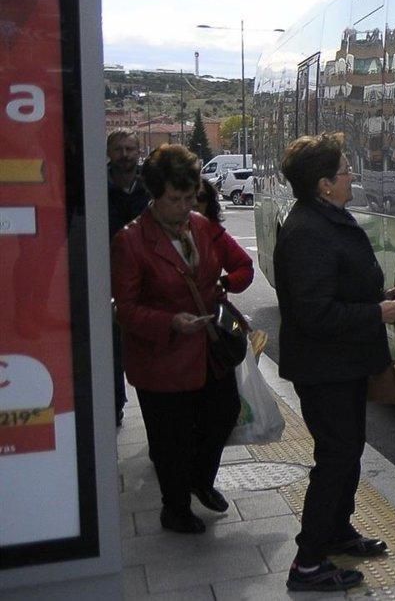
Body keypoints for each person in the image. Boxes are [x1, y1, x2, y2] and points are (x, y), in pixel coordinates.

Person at [275, 133, 395, 592]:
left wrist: (383, 298)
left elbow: (341, 288)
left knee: (347, 452)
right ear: (323, 185)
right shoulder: (307, 232)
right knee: (334, 459)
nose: (352, 175)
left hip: (344, 364)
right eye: (345, 170)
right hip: (324, 369)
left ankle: (337, 531)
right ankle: (308, 563)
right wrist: (377, 313)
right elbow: (315, 313)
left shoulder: (326, 218)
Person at [111, 144, 253, 534]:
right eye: (176, 199)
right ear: (155, 196)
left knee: (222, 413)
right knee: (170, 441)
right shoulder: (131, 241)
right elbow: (126, 309)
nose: (185, 207)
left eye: (190, 197)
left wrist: (222, 289)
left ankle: (200, 481)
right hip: (162, 360)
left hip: (207, 349)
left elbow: (238, 265)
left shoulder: (201, 226)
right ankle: (174, 509)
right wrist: (172, 321)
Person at [107, 129, 149, 427]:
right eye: (119, 149)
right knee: (111, 345)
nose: (125, 155)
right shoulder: (95, 185)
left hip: (146, 277)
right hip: (106, 277)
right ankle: (114, 403)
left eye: (130, 149)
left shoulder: (150, 186)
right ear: (109, 153)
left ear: (138, 152)